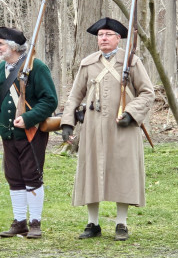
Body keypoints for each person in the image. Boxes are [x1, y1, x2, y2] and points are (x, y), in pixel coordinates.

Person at [61, 17, 155, 241]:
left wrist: (131, 113)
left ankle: (121, 223)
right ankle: (92, 223)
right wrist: (67, 123)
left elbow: (147, 92)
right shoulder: (88, 63)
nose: (103, 38)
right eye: (100, 35)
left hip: (123, 127)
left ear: (118, 38)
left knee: (123, 172)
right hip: (93, 128)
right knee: (91, 172)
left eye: (108, 35)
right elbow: (75, 95)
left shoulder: (131, 61)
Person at [0, 27, 58, 239]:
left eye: (1, 44)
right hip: (8, 135)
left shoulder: (37, 67)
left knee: (32, 176)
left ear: (14, 47)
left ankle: (35, 222)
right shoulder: (1, 69)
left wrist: (27, 118)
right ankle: (19, 222)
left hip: (31, 133)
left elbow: (50, 100)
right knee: (14, 178)